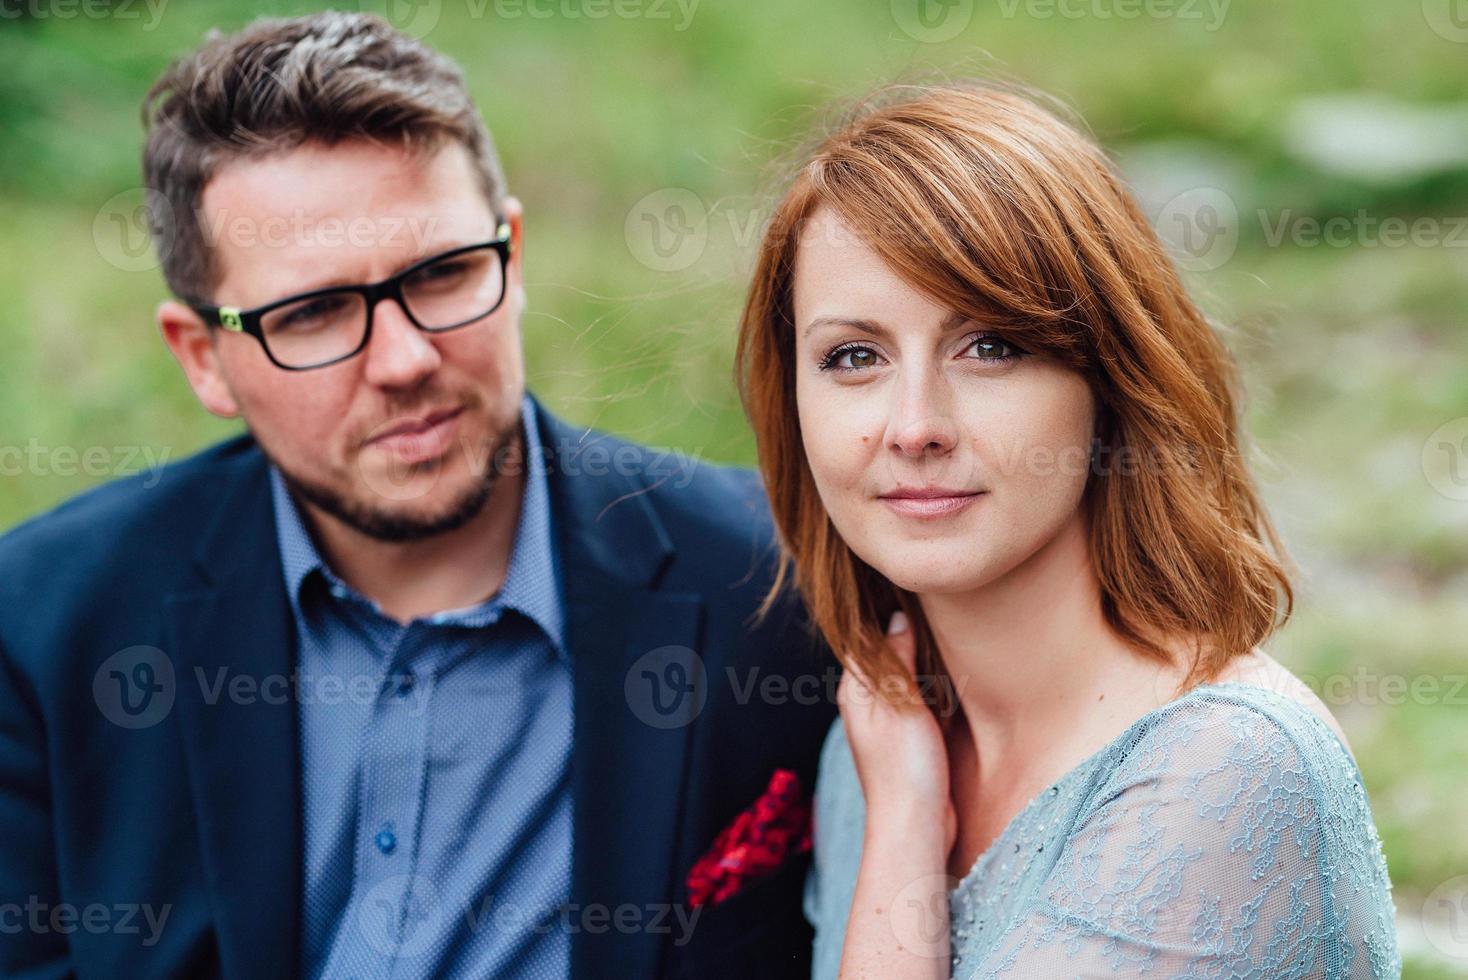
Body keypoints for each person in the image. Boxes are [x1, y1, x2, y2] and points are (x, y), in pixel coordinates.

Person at [0, 13, 834, 979]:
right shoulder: (43, 629)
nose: (404, 362)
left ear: (511, 255)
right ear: (204, 359)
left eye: (441, 274)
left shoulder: (776, 587)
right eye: (310, 313)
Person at [734, 82, 1401, 979]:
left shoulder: (1226, 770)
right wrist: (893, 800)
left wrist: (900, 833)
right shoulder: (878, 744)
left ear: (1110, 380)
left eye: (991, 347)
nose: (914, 425)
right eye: (855, 357)